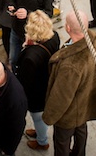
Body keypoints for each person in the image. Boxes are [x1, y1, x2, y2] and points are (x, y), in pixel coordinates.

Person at [43, 11, 96, 156]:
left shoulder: (70, 66)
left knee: (62, 143)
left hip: (70, 113)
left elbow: (61, 97)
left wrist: (49, 117)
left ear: (68, 29)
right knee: (81, 130)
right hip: (87, 100)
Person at [15, 11, 60, 151]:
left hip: (36, 95)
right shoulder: (54, 37)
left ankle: (42, 141)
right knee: (40, 117)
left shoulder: (30, 56)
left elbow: (25, 82)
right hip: (47, 84)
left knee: (38, 117)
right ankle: (39, 132)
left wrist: (26, 47)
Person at [7, 0, 54, 68]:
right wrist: (12, 5)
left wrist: (28, 14)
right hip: (16, 28)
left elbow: (48, 14)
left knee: (28, 63)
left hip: (32, 34)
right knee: (13, 60)